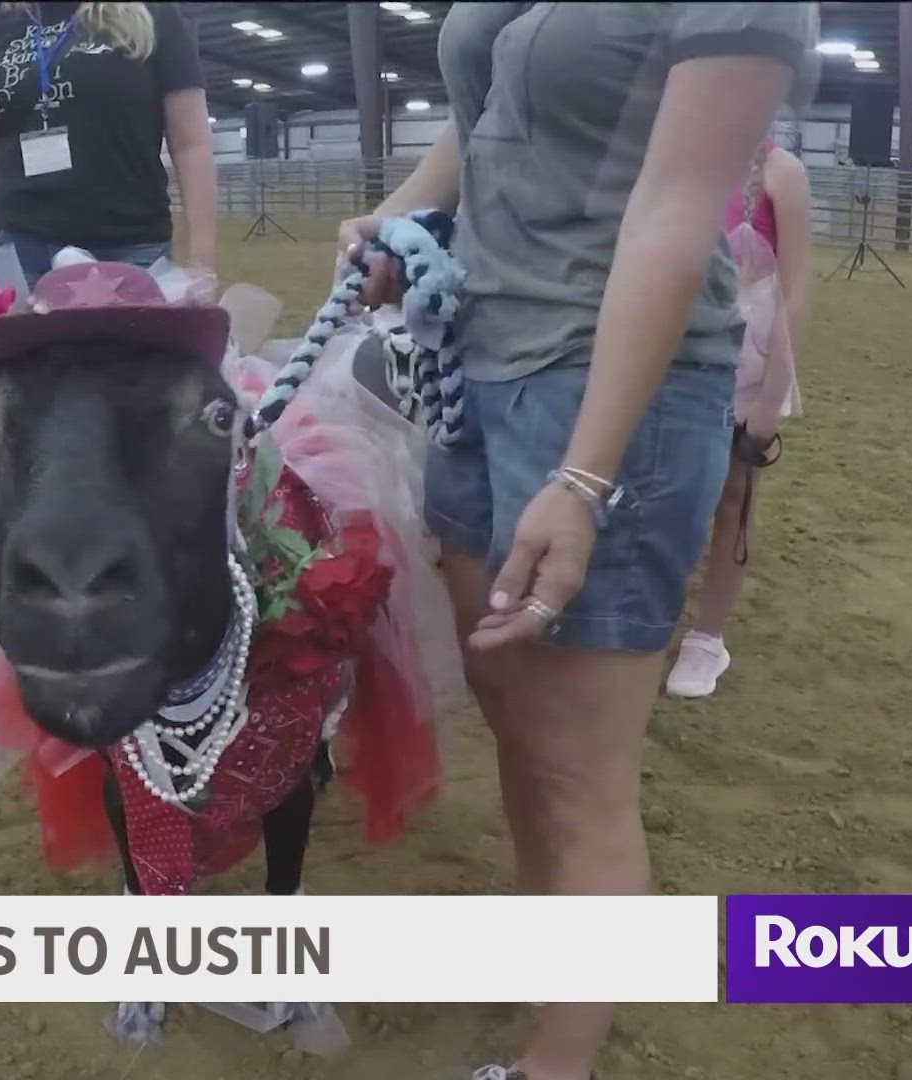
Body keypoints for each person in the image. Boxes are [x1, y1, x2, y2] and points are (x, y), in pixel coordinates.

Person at [338, 5, 818, 1079]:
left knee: (582, 775)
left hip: (609, 398)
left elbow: (678, 205)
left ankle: (561, 1064)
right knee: (519, 729)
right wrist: (399, 215)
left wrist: (585, 474)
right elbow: (488, 114)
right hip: (476, 357)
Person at [665, 134, 812, 699]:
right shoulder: (681, 159)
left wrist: (770, 397)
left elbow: (796, 290)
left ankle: (707, 638)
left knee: (733, 495)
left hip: (747, 357)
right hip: (678, 349)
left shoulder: (780, 172)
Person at [0, 2, 217, 294]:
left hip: (128, 246)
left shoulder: (154, 17)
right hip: (14, 248)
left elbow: (190, 145)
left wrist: (200, 262)